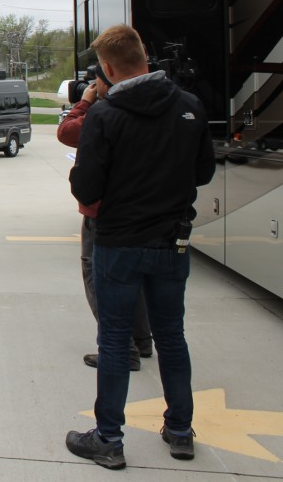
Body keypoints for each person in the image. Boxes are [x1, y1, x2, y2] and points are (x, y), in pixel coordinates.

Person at [65, 25, 215, 470]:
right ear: (144, 56)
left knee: (113, 340)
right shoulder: (189, 106)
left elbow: (85, 186)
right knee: (172, 337)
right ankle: (181, 430)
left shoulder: (105, 117)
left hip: (119, 243)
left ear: (107, 69)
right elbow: (203, 172)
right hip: (172, 241)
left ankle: (109, 438)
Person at [57, 80, 153, 372]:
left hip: (103, 212)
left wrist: (84, 101)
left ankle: (123, 349)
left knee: (97, 278)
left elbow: (66, 131)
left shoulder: (104, 113)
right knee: (132, 276)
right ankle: (141, 339)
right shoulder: (162, 106)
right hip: (143, 209)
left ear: (108, 74)